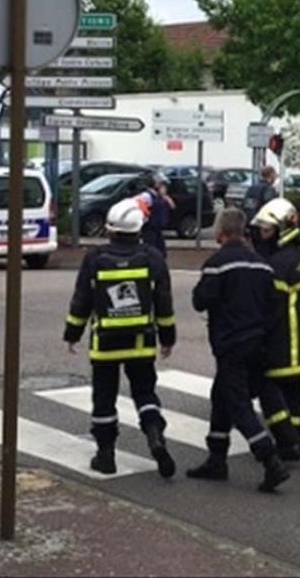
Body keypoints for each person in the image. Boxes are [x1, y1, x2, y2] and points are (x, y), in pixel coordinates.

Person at [63, 198, 177, 478]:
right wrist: (168, 338)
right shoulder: (153, 258)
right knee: (145, 392)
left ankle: (105, 456)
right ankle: (155, 436)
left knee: (104, 398)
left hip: (105, 345)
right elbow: (164, 304)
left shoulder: (94, 258)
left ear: (110, 228)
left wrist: (72, 334)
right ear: (139, 228)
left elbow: (82, 301)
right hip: (141, 342)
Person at [186, 208, 291, 492]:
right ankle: (216, 459)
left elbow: (200, 300)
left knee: (237, 404)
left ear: (221, 232)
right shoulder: (261, 264)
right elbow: (274, 305)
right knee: (220, 397)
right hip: (258, 343)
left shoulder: (217, 263)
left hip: (230, 344)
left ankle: (270, 459)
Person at [251, 198, 300, 462]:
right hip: (297, 342)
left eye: (267, 230)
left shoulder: (278, 264)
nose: (261, 236)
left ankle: (286, 441)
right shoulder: (294, 258)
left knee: (269, 390)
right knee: (292, 393)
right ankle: (294, 438)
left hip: (280, 341)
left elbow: (269, 305)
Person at [137, 174, 173, 258]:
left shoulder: (159, 197)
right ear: (156, 185)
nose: (165, 188)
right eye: (163, 186)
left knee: (161, 252)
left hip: (157, 228)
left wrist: (165, 197)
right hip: (150, 228)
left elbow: (172, 206)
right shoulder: (147, 196)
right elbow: (140, 206)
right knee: (151, 251)